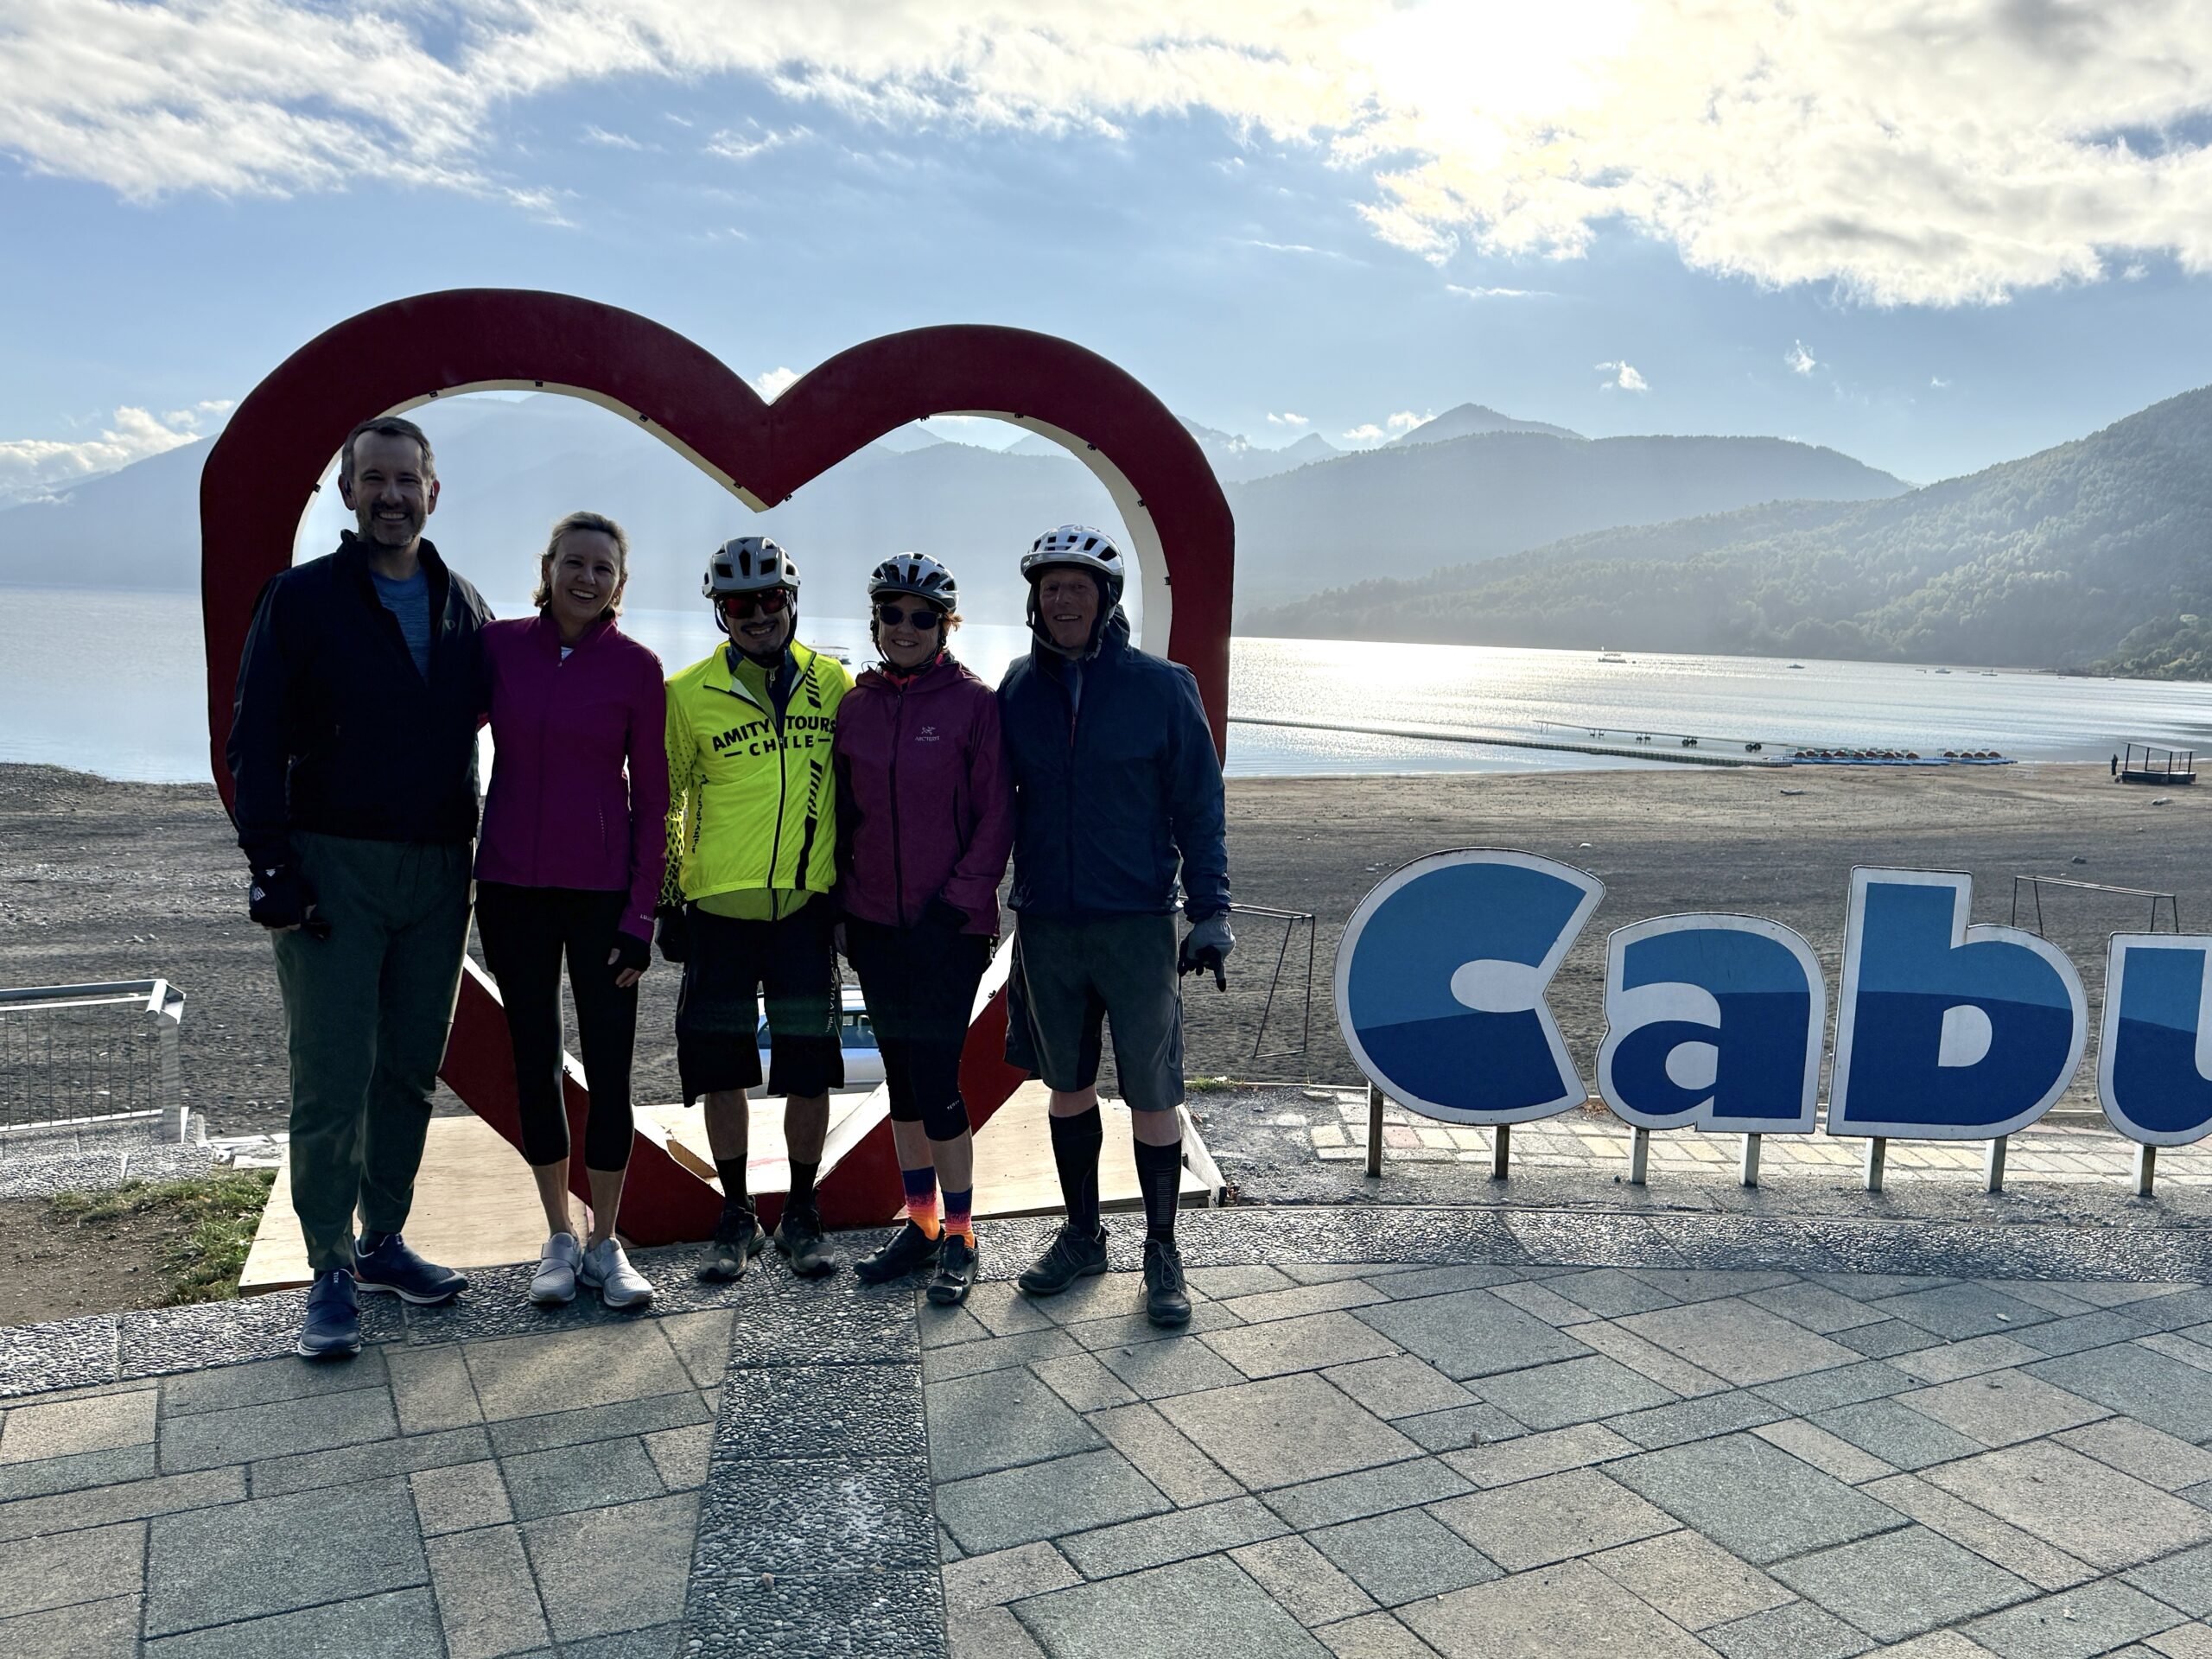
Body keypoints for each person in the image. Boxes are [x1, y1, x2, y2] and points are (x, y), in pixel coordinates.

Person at [226, 415, 491, 1360]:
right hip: (332, 863)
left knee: (409, 1069)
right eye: (374, 479)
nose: (391, 495)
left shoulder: (464, 603)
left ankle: (383, 1241)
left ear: (432, 492)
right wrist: (272, 866)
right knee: (332, 1074)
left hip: (440, 869)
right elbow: (253, 739)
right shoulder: (300, 599)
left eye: (406, 479)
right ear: (347, 492)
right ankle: (329, 1268)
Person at [996, 524, 1232, 1327]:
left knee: (1153, 1092)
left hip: (1136, 922)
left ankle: (1162, 1250)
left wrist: (1211, 910)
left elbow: (1200, 805)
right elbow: (994, 803)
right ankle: (1083, 1236)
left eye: (1078, 587)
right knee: (1066, 1088)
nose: (1062, 600)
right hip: (1048, 923)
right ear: (1035, 601)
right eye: (1050, 588)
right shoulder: (1017, 687)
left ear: (1106, 598)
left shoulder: (1162, 687)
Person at [475, 512, 666, 1311]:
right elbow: (435, 733)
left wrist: (641, 916)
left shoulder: (637, 667)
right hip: (510, 888)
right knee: (535, 1062)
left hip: (602, 897)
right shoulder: (498, 648)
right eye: (574, 563)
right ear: (548, 567)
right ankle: (558, 1234)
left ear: (620, 582)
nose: (587, 578)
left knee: (611, 1069)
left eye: (602, 568)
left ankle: (605, 1243)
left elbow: (653, 801)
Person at [658, 536, 853, 1281]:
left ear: (791, 601)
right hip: (718, 914)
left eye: (770, 598)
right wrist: (669, 902)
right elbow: (669, 801)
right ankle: (737, 1211)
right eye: (740, 603)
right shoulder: (687, 693)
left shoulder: (834, 684)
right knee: (722, 1071)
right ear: (721, 612)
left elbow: (855, 793)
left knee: (809, 1070)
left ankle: (801, 1210)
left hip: (804, 910)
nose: (758, 614)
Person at [834, 554, 1014, 1305]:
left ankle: (963, 1234)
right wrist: (845, 906)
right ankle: (921, 1223)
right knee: (901, 1082)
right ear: (875, 621)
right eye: (891, 614)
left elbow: (998, 815)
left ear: (945, 626)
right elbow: (842, 815)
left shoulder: (974, 704)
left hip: (950, 927)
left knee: (937, 1081)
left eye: (921, 617)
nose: (904, 627)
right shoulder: (857, 705)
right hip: (875, 924)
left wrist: (958, 900)